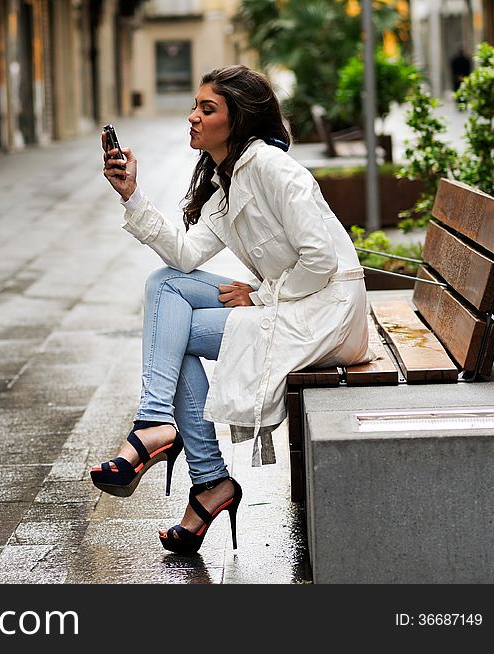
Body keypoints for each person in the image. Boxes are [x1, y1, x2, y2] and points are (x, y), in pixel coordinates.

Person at [90, 65, 371, 555]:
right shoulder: (228, 184)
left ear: (237, 120)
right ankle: (182, 452)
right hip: (296, 302)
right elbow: (182, 254)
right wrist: (131, 195)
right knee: (166, 287)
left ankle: (189, 460)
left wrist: (259, 296)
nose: (193, 118)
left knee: (171, 330)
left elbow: (322, 260)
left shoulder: (272, 168)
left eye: (207, 108)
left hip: (327, 314)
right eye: (195, 107)